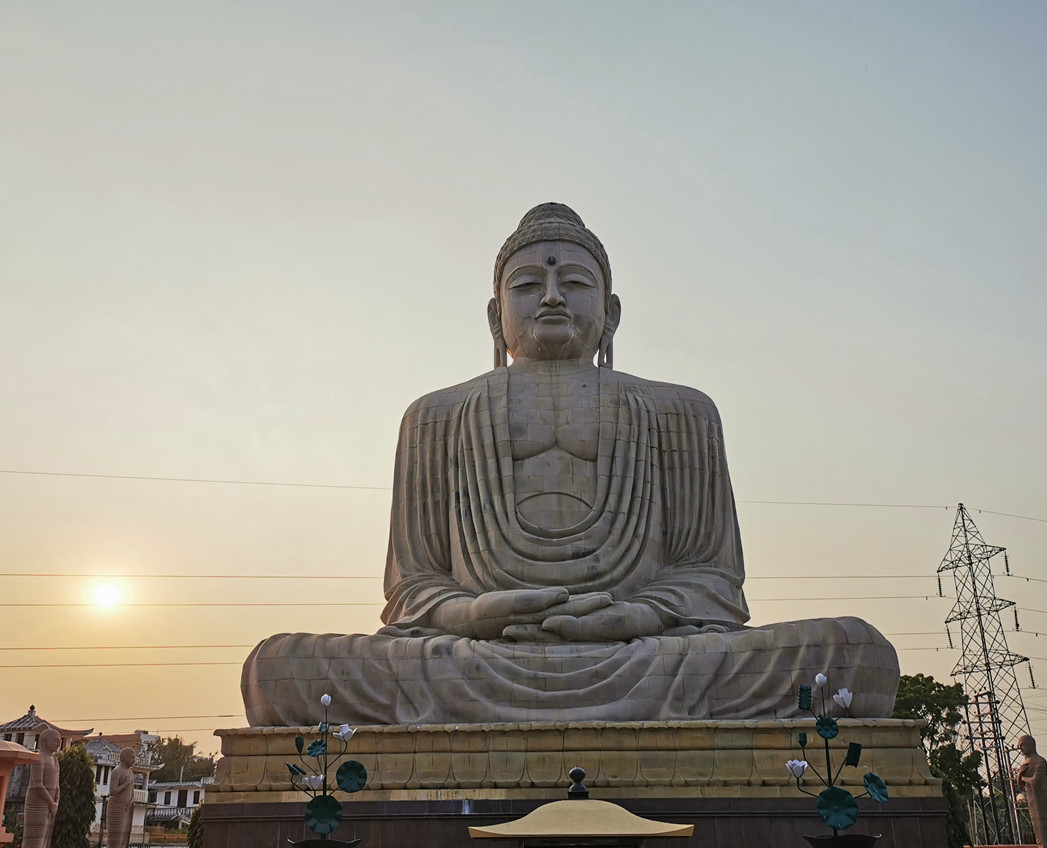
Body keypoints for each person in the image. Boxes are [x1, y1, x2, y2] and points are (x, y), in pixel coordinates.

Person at [242, 202, 900, 728]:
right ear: (496, 314)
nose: (551, 297)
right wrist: (468, 616)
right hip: (475, 656)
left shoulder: (682, 412)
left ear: (610, 313)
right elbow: (413, 589)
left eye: (574, 283)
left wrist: (636, 617)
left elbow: (712, 582)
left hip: (645, 654)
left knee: (857, 654)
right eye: (527, 285)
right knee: (276, 669)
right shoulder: (434, 417)